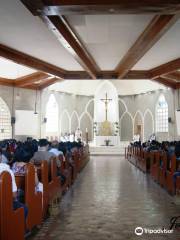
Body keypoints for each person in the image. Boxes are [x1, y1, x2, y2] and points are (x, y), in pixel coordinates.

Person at [0, 149, 28, 219]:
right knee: (24, 208)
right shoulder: (7, 171)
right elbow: (14, 195)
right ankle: (23, 229)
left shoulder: (13, 165)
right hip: (4, 202)